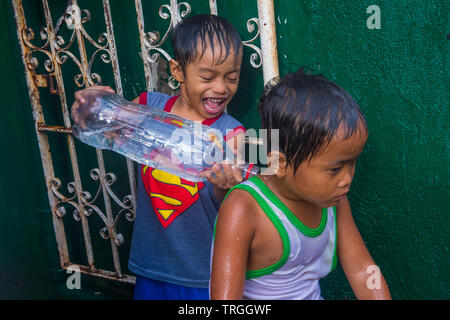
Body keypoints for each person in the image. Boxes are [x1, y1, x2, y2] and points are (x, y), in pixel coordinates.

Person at [71, 14, 246, 299]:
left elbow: (236, 202)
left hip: (203, 273)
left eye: (232, 77)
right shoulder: (148, 107)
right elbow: (97, 121)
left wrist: (224, 187)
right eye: (207, 77)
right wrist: (90, 108)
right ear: (178, 71)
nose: (221, 88)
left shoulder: (232, 133)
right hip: (151, 266)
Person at [210, 69, 391, 300]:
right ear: (279, 163)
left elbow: (363, 270)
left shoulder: (335, 202)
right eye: (335, 169)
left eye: (352, 164)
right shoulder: (243, 208)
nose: (347, 179)